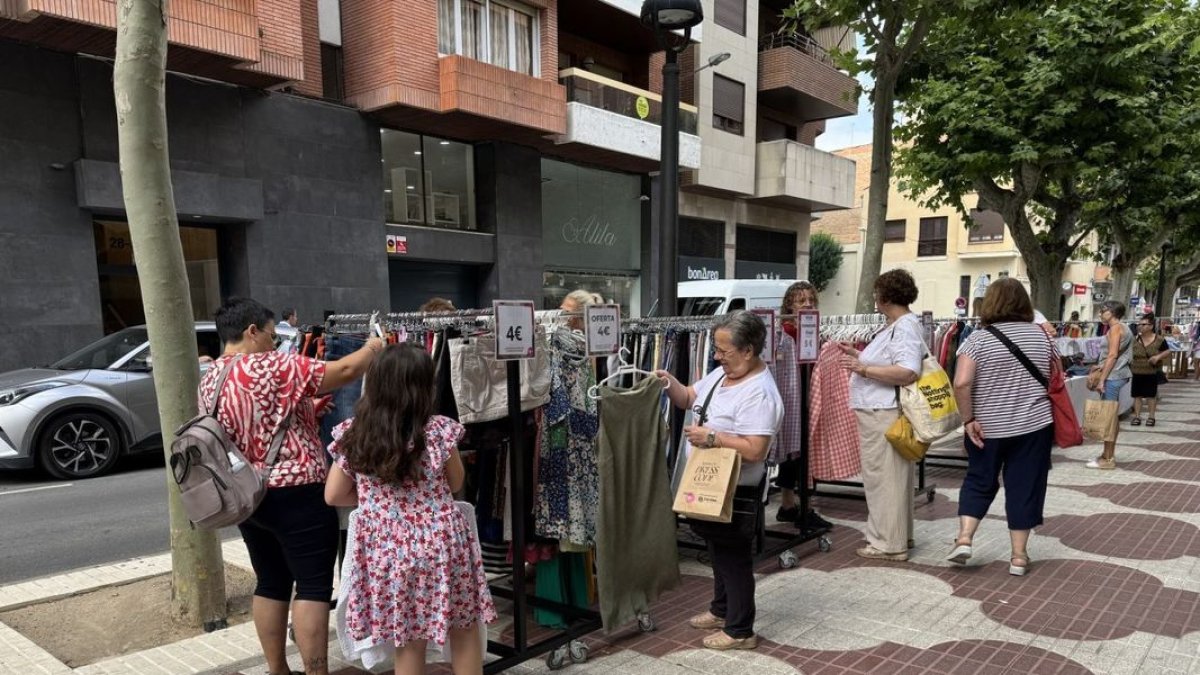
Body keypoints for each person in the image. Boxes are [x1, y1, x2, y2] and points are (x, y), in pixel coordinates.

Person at [199, 297, 383, 675]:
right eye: (270, 334)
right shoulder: (274, 365)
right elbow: (347, 369)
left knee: (270, 581)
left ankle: (277, 669)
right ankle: (316, 671)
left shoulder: (211, 378)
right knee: (313, 587)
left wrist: (306, 412)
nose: (273, 342)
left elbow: (253, 424)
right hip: (298, 491)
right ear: (251, 331)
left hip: (247, 495)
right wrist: (374, 346)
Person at [325, 343, 495, 675]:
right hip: (443, 543)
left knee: (408, 637)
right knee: (463, 627)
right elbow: (456, 481)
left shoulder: (355, 434)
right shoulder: (438, 430)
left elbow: (333, 495)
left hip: (387, 549)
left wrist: (380, 502)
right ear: (422, 388)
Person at [656, 311, 783, 651]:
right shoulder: (721, 375)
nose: (716, 355)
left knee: (733, 556)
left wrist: (713, 438)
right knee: (716, 549)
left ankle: (740, 629)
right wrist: (668, 381)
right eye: (716, 348)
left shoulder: (760, 393)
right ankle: (721, 609)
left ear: (749, 350)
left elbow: (756, 449)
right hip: (709, 481)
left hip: (737, 487)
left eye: (724, 350)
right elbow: (687, 397)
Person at [946, 278, 1054, 577]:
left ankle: (965, 538)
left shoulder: (978, 339)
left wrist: (969, 419)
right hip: (1034, 425)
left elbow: (962, 382)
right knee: (1025, 486)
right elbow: (1056, 375)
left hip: (987, 426)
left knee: (979, 479)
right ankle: (1018, 557)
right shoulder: (1041, 336)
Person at [837, 269, 923, 561]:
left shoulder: (904, 327)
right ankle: (897, 536)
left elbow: (907, 371)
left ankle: (887, 543)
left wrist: (865, 370)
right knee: (892, 477)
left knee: (883, 478)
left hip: (883, 411)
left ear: (885, 297)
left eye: (877, 294)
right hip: (881, 409)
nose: (875, 299)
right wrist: (857, 356)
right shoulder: (899, 325)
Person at [773, 281, 817, 524]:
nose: (808, 304)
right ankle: (789, 504)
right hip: (793, 395)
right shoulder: (787, 332)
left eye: (811, 300)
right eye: (801, 301)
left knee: (800, 451)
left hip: (807, 392)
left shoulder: (809, 328)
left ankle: (794, 503)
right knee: (793, 450)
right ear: (790, 304)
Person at [1086, 301, 1132, 470]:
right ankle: (1107, 455)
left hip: (1113, 376)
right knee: (1111, 416)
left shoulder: (1116, 328)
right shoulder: (1122, 328)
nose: (1100, 314)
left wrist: (1103, 379)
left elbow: (1112, 355)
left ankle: (1108, 458)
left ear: (1112, 312)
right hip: (1116, 374)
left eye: (1103, 311)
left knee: (1109, 417)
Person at [1129, 314, 1170, 427]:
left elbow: (1167, 351)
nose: (1140, 326)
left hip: (1151, 371)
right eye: (1139, 324)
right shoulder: (1134, 339)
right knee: (1137, 395)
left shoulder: (1159, 339)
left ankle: (1151, 416)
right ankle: (1137, 416)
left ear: (1151, 326)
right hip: (1136, 371)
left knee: (1151, 395)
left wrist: (1157, 357)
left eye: (1143, 324)